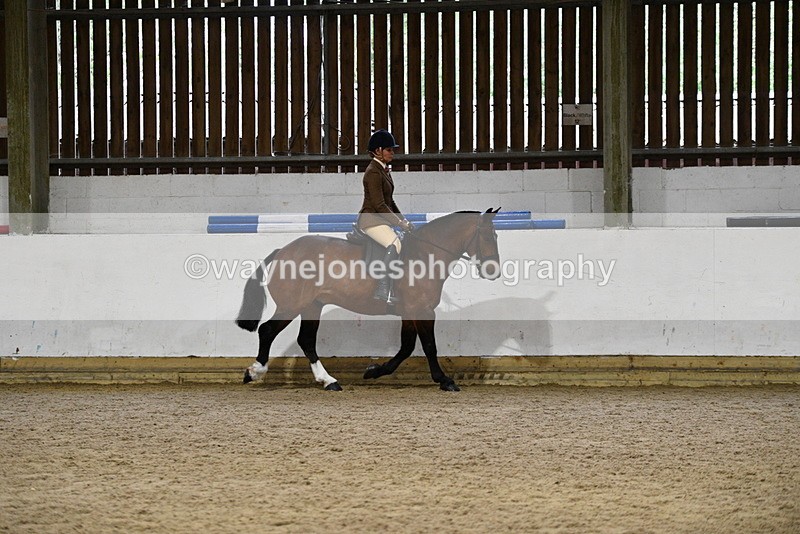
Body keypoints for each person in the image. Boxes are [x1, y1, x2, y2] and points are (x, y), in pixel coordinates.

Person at [357, 129, 414, 303]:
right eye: (389, 150)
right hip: (371, 219)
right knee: (394, 243)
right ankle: (382, 287)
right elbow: (379, 205)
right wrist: (398, 223)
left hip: (380, 218)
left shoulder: (383, 170)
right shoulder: (373, 172)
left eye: (392, 150)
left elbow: (390, 201)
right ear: (377, 151)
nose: (392, 153)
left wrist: (403, 220)